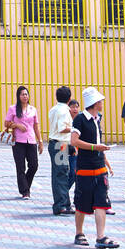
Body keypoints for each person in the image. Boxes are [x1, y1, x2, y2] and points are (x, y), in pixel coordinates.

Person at [70, 87, 118, 249]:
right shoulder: (80, 119)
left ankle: (101, 236)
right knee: (82, 203)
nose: (102, 103)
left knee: (101, 202)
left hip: (99, 168)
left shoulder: (98, 119)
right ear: (94, 103)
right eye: (100, 101)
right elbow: (74, 141)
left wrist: (104, 158)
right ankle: (79, 233)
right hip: (84, 168)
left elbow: (98, 143)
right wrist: (94, 148)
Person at [4, 86, 44, 199]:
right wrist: (16, 125)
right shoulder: (13, 108)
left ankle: (25, 184)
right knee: (20, 167)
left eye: (26, 94)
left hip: (31, 140)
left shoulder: (33, 109)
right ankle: (25, 191)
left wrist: (40, 141)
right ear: (18, 96)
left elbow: (36, 126)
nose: (25, 96)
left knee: (34, 165)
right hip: (18, 141)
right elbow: (6, 123)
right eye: (22, 94)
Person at [48, 86, 75, 215]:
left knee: (58, 175)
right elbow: (62, 128)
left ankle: (63, 203)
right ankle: (61, 205)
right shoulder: (65, 111)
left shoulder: (53, 109)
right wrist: (74, 129)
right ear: (69, 98)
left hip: (55, 143)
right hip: (61, 144)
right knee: (62, 175)